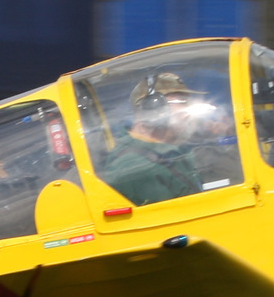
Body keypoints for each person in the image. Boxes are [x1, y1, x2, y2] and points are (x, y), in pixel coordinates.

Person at [92, 70, 242, 206]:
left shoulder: (171, 150)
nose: (186, 111)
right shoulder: (134, 168)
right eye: (181, 102)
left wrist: (224, 137)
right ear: (153, 108)